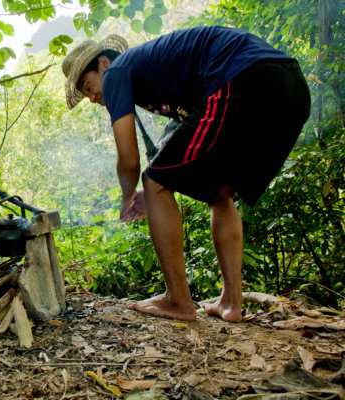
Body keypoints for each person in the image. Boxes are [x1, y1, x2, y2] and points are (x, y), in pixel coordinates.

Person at [62, 26, 310, 322]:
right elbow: (183, 133)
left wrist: (129, 196)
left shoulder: (117, 72)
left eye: (89, 87)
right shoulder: (157, 76)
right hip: (289, 88)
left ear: (103, 64)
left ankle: (178, 300)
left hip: (245, 77)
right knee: (220, 191)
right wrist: (158, 184)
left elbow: (129, 160)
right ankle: (231, 303)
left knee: (153, 181)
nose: (92, 98)